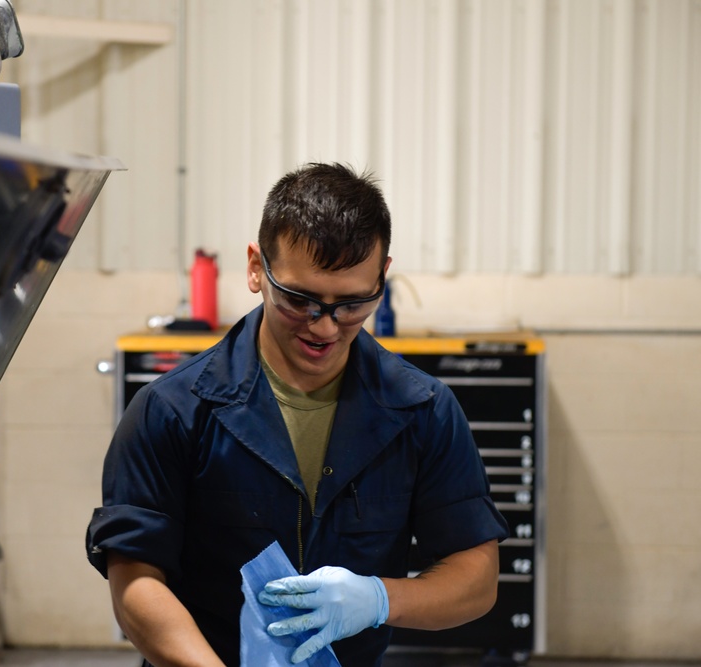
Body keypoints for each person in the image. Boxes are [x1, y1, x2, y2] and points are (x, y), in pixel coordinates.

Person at [86, 163, 509, 666]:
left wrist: (380, 599)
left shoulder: (423, 412)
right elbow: (135, 580)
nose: (326, 328)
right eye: (300, 299)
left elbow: (476, 578)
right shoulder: (173, 411)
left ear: (383, 277)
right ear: (255, 269)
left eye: (353, 304)